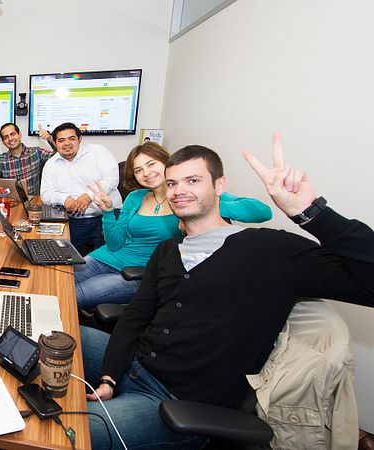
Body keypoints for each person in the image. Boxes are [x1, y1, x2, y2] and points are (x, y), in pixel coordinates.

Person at [79, 136, 374, 449]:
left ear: (219, 186)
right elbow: (137, 315)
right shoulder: (167, 251)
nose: (179, 191)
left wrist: (311, 213)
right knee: (44, 333)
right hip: (134, 366)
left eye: (193, 180)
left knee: (65, 429)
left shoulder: (270, 249)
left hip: (176, 405)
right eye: (173, 183)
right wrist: (110, 376)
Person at [74, 141, 272, 309]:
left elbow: (262, 212)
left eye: (151, 164)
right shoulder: (135, 197)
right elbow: (115, 244)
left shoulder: (189, 197)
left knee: (73, 295)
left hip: (139, 274)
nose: (146, 173)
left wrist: (210, 204)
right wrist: (108, 212)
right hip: (106, 256)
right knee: (57, 281)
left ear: (166, 163)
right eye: (138, 170)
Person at [40, 122, 123, 253]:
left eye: (71, 138)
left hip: (107, 216)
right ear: (55, 144)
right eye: (61, 140)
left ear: (80, 139)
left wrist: (89, 196)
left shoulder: (98, 152)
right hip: (74, 220)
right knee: (60, 255)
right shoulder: (51, 164)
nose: (67, 143)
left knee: (111, 257)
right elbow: (45, 193)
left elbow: (112, 178)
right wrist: (63, 199)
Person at [0, 122, 55, 196]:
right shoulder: (1, 160)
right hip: (12, 203)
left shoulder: (36, 152)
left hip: (34, 203)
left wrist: (50, 138)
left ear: (20, 134)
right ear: (3, 142)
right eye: (6, 137)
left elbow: (59, 155)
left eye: (12, 134)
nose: (10, 139)